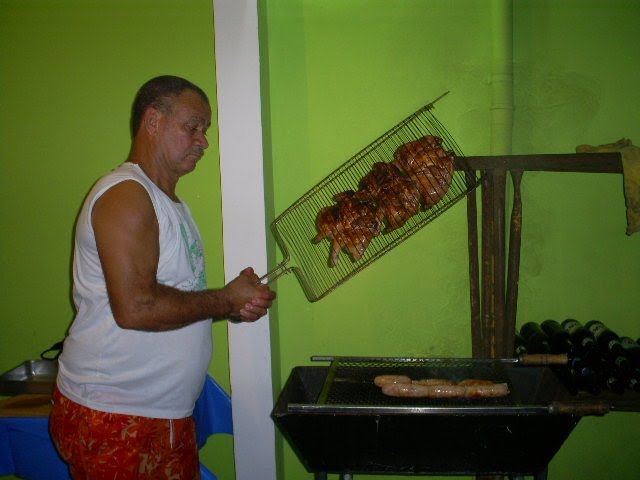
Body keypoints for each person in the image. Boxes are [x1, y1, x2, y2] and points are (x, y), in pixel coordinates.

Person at [50, 75, 276, 479]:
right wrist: (224, 299)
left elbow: (174, 299)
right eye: (193, 126)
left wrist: (232, 306)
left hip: (164, 415)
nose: (204, 141)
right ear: (153, 122)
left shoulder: (173, 205)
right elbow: (136, 308)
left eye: (206, 130)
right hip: (116, 416)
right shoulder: (126, 195)